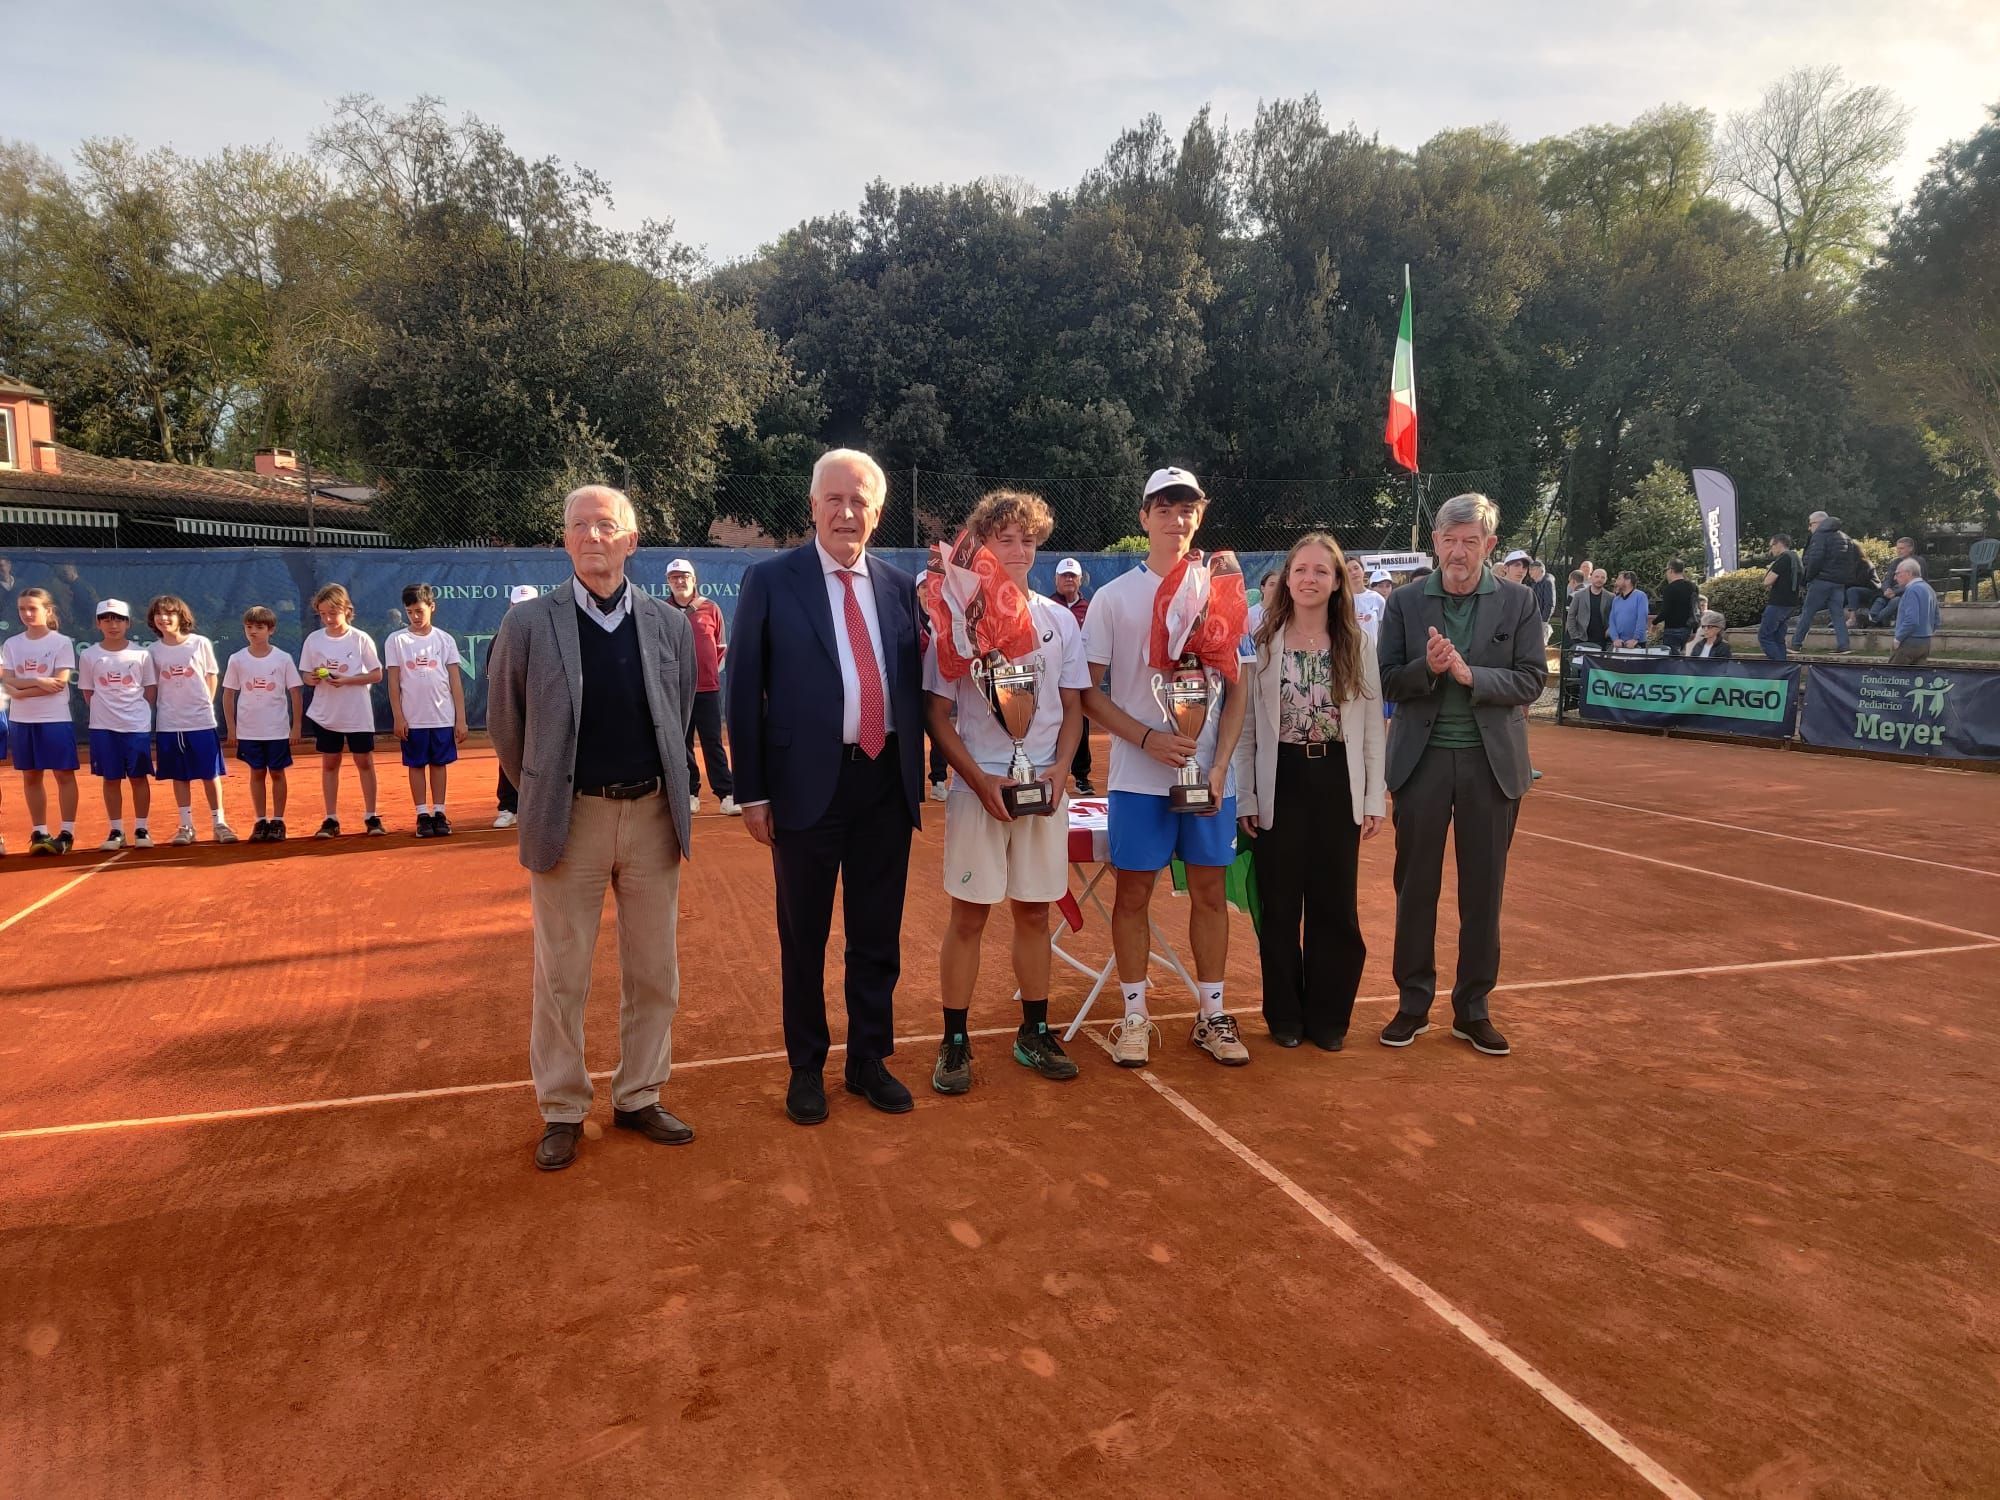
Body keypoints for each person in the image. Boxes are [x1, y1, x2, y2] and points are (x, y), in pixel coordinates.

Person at [489, 484, 698, 1171]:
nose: (592, 537)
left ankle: (639, 1093)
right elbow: (507, 725)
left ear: (631, 541)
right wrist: (548, 792)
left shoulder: (669, 624)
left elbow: (679, 714)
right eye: (578, 525)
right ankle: (562, 1106)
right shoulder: (528, 624)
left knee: (655, 970)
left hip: (652, 817)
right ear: (565, 540)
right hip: (570, 819)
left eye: (606, 525)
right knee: (562, 974)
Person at [728, 449, 927, 1127]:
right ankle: (806, 1067)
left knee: (877, 934)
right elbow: (743, 691)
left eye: (860, 500)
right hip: (802, 785)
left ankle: (869, 1059)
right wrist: (752, 792)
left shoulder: (901, 587)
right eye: (834, 499)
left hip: (884, 781)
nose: (847, 513)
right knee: (804, 935)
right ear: (813, 506)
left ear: (878, 511)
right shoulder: (769, 580)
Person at [1078, 466, 1249, 1069]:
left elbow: (1238, 689)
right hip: (1137, 777)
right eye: (1165, 509)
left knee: (1210, 892)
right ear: (1144, 517)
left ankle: (1212, 1014)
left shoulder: (1223, 591)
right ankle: (1134, 1015)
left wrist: (1220, 765)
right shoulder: (1112, 597)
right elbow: (1088, 692)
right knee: (1133, 892)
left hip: (1210, 780)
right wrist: (1147, 738)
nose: (1177, 520)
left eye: (1187, 509)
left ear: (1199, 516)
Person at [924, 490, 1090, 1094]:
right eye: (1004, 539)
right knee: (968, 916)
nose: (1018, 550)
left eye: (1027, 539)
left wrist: (1061, 770)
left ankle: (1034, 1031)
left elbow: (1073, 708)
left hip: (1043, 787)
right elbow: (937, 714)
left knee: (1035, 912)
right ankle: (954, 1042)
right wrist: (978, 779)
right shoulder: (957, 619)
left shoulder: (1058, 620)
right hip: (980, 789)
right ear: (983, 546)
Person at [1377, 492, 1546, 1058]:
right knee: (1415, 889)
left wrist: (1475, 677)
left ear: (1489, 545)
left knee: (1483, 892)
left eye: (1470, 541)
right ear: (1435, 543)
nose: (1458, 551)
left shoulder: (1520, 601)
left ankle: (1473, 1010)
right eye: (1449, 540)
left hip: (1491, 768)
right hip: (1420, 764)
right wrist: (1426, 669)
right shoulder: (1405, 602)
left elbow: (1532, 679)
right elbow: (1386, 679)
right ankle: (1413, 1004)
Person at [1232, 533, 1386, 1050]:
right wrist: (1247, 796)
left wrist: (1372, 798)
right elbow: (1247, 730)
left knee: (1334, 906)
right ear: (1287, 578)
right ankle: (1284, 1016)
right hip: (1280, 780)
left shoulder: (1358, 643)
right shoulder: (1262, 640)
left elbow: (1371, 728)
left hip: (1338, 780)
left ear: (1338, 581)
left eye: (1322, 570)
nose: (1309, 579)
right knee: (1279, 907)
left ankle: (1328, 1018)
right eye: (1300, 569)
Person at [146, 595, 235, 845]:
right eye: (159, 614)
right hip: (169, 723)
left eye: (169, 613)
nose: (164, 618)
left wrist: (205, 703)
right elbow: (152, 687)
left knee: (209, 773)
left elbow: (211, 675)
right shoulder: (152, 651)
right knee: (180, 775)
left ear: (180, 616)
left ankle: (219, 823)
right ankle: (186, 826)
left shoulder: (199, 643)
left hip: (201, 721)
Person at [300, 584, 385, 839]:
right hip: (327, 713)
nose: (328, 619)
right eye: (322, 614)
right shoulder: (314, 640)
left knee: (364, 761)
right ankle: (331, 819)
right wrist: (311, 678)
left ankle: (372, 816)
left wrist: (347, 680)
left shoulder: (360, 639)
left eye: (333, 613)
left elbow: (377, 674)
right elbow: (306, 674)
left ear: (346, 610)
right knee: (330, 762)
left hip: (357, 712)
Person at [385, 583, 467, 838]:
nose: (415, 616)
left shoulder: (445, 640)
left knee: (439, 764)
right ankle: (422, 814)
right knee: (417, 765)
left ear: (432, 607)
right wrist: (398, 717)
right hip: (413, 719)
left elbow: (455, 682)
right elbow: (393, 682)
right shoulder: (396, 640)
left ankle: (439, 813)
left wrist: (461, 720)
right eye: (409, 612)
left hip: (442, 716)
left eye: (419, 610)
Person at [4, 587, 79, 854]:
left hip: (55, 719)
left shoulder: (61, 642)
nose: (26, 613)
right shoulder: (12, 644)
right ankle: (40, 832)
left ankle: (67, 833)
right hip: (22, 721)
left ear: (48, 611)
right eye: (22, 609)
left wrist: (19, 690)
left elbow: (58, 683)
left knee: (63, 774)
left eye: (32, 608)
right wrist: (37, 680)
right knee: (31, 775)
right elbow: (7, 679)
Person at [222, 606, 304, 842]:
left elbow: (295, 693)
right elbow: (228, 694)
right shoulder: (237, 659)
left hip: (277, 729)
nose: (253, 632)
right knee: (256, 772)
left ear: (271, 630)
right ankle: (260, 821)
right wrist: (232, 728)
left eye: (259, 627)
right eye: (249, 627)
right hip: (248, 730)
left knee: (277, 772)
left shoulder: (283, 658)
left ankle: (278, 821)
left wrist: (296, 726)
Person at [79, 599, 156, 852]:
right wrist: (106, 713)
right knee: (111, 778)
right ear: (98, 623)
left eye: (119, 619)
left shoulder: (142, 654)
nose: (113, 625)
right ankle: (116, 830)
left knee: (138, 777)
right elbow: (88, 692)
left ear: (128, 623)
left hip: (136, 726)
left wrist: (134, 713)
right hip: (103, 728)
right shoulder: (89, 655)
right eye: (107, 619)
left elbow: (150, 691)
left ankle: (142, 828)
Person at [665, 558, 738, 817]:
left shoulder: (711, 608)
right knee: (682, 743)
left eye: (684, 576)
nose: (680, 581)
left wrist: (705, 674)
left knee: (712, 742)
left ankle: (726, 794)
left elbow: (720, 647)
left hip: (707, 689)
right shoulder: (662, 611)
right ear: (668, 582)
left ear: (694, 579)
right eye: (674, 577)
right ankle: (689, 794)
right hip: (676, 692)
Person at [492, 584, 537, 828]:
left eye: (528, 606)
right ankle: (508, 807)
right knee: (509, 755)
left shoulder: (551, 638)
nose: (522, 612)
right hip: (513, 711)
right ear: (510, 607)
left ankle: (540, 807)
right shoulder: (499, 641)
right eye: (518, 606)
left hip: (542, 711)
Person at [1052, 557, 1095, 794]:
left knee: (1080, 725)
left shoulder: (1090, 610)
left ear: (1080, 580)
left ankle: (1081, 777)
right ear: (1056, 580)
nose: (1068, 579)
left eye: (1072, 576)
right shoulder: (1046, 607)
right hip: (1051, 678)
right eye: (1064, 575)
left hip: (1078, 679)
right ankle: (1048, 771)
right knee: (1049, 724)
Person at [1791, 511, 1859, 655]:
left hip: (1820, 581)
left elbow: (1815, 560)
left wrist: (1807, 578)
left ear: (1819, 523)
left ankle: (1796, 644)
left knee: (1807, 613)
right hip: (1838, 583)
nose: (1809, 528)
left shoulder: (1820, 536)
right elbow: (1852, 562)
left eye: (1811, 524)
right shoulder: (1845, 537)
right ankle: (1844, 645)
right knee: (1837, 615)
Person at [1760, 535, 1803, 662]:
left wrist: (1769, 572)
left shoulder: (1783, 559)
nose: (1771, 549)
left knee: (1764, 636)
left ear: (1779, 544)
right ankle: (1783, 666)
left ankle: (1778, 664)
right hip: (1790, 603)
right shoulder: (1795, 557)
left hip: (1778, 602)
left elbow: (1767, 581)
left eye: (1772, 546)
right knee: (1778, 637)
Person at [1889, 559, 1939, 666]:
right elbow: (1937, 619)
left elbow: (1911, 620)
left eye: (1898, 573)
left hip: (1909, 642)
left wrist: (1898, 638)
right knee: (1917, 675)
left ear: (1909, 573)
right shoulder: (1929, 589)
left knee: (1894, 674)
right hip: (1925, 643)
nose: (1895, 578)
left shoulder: (1912, 590)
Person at [1867, 539, 1923, 627]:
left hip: (1908, 592)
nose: (1899, 551)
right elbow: (1887, 579)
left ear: (1910, 549)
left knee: (1895, 600)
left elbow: (1917, 581)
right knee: (1880, 600)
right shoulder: (1895, 562)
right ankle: (1871, 618)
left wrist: (1895, 592)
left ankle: (1874, 620)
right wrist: (1887, 590)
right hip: (1892, 592)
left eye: (1902, 548)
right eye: (1898, 548)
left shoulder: (1919, 562)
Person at [1566, 568, 1611, 649]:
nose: (1599, 579)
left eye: (1602, 577)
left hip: (1601, 640)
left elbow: (1614, 617)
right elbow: (1571, 615)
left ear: (1606, 580)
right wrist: (1574, 635)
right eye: (1597, 576)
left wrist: (1609, 630)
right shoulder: (1579, 595)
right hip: (1581, 639)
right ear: (1591, 578)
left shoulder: (1610, 597)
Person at [1607, 572, 1650, 650]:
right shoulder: (1616, 599)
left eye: (1619, 579)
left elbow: (1642, 618)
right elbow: (1612, 620)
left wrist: (1635, 638)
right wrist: (1615, 638)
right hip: (1619, 643)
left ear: (1628, 580)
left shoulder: (1640, 596)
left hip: (1636, 643)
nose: (1616, 582)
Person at [1349, 557, 1386, 641]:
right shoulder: (1341, 600)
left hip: (1372, 647)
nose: (1353, 572)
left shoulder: (1377, 598)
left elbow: (1382, 629)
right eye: (1348, 570)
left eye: (1356, 568)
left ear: (1363, 570)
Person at [1529, 559, 1557, 648]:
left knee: (1540, 646)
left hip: (1541, 620)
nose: (1529, 572)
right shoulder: (1535, 583)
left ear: (1540, 570)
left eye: (1532, 569)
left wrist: (1544, 621)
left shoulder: (1548, 582)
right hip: (1534, 619)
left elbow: (1549, 603)